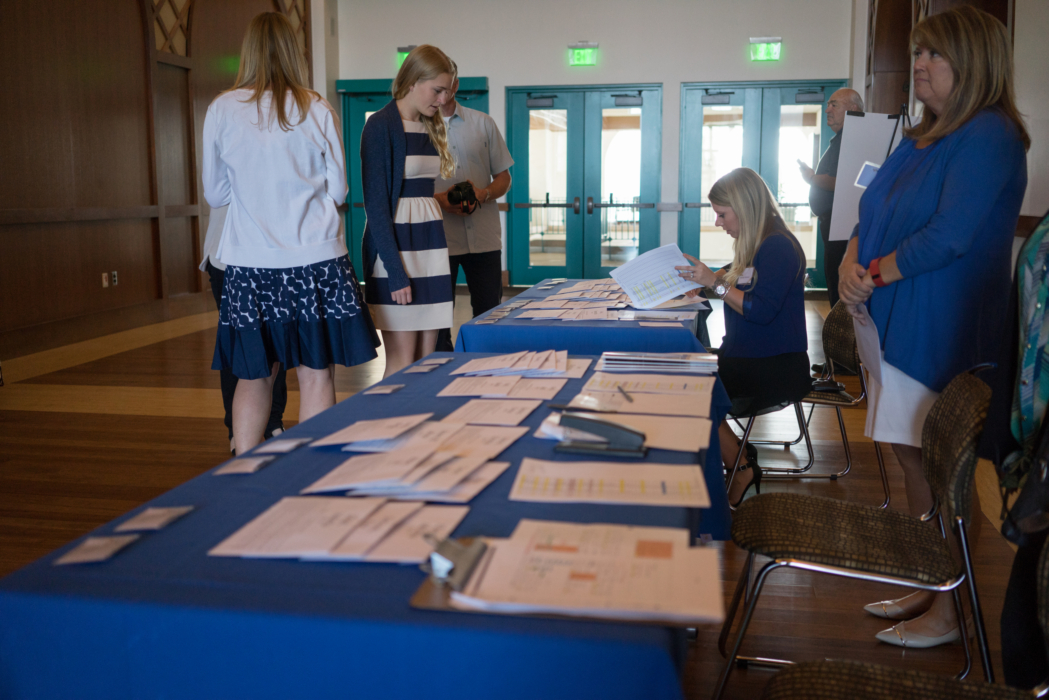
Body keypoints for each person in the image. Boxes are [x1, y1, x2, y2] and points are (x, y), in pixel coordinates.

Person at [838, 6, 1029, 648]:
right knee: (908, 455)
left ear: (972, 62)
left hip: (938, 325)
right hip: (892, 317)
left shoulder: (990, 134)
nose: (918, 64)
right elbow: (868, 209)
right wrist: (851, 261)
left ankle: (950, 610)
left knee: (939, 466)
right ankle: (930, 581)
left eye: (934, 54)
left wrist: (874, 272)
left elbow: (949, 237)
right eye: (917, 52)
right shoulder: (922, 136)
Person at [203, 12, 379, 454]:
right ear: (294, 53)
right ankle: (309, 471)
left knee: (254, 375)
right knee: (316, 373)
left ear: (248, 52)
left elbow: (215, 193)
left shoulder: (222, 109)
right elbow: (339, 191)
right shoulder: (316, 107)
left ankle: (243, 468)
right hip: (315, 261)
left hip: (250, 263)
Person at [675, 168, 811, 506]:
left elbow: (759, 310)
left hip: (773, 365)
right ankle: (737, 456)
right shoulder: (758, 243)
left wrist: (714, 283)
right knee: (685, 374)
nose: (718, 222)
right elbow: (736, 273)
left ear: (745, 207)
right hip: (751, 356)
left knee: (688, 385)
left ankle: (740, 464)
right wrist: (705, 280)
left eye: (722, 214)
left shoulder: (777, 246)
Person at [360, 45, 456, 377]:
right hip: (397, 255)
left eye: (447, 91)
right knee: (402, 362)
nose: (443, 99)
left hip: (431, 252)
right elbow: (376, 207)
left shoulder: (431, 126)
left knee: (426, 363)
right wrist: (396, 272)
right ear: (413, 81)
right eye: (437, 90)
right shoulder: (380, 126)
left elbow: (422, 195)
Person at [433, 65, 514, 352]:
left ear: (455, 85)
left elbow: (504, 177)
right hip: (439, 239)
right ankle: (442, 371)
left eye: (445, 86)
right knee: (439, 319)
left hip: (484, 238)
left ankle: (486, 367)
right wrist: (439, 200)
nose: (439, 94)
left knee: (489, 314)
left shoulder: (483, 123)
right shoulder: (417, 127)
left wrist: (484, 193)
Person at [199, 204, 287, 454]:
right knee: (237, 345)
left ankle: (273, 420)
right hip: (226, 255)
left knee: (275, 342)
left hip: (273, 253)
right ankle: (236, 430)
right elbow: (215, 194)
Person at [798, 88, 865, 312]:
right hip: (835, 223)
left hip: (842, 226)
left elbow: (841, 181)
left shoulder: (851, 139)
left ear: (853, 109)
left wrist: (810, 178)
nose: (827, 110)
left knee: (839, 284)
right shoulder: (842, 139)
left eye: (834, 105)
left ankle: (842, 330)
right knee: (834, 281)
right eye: (828, 104)